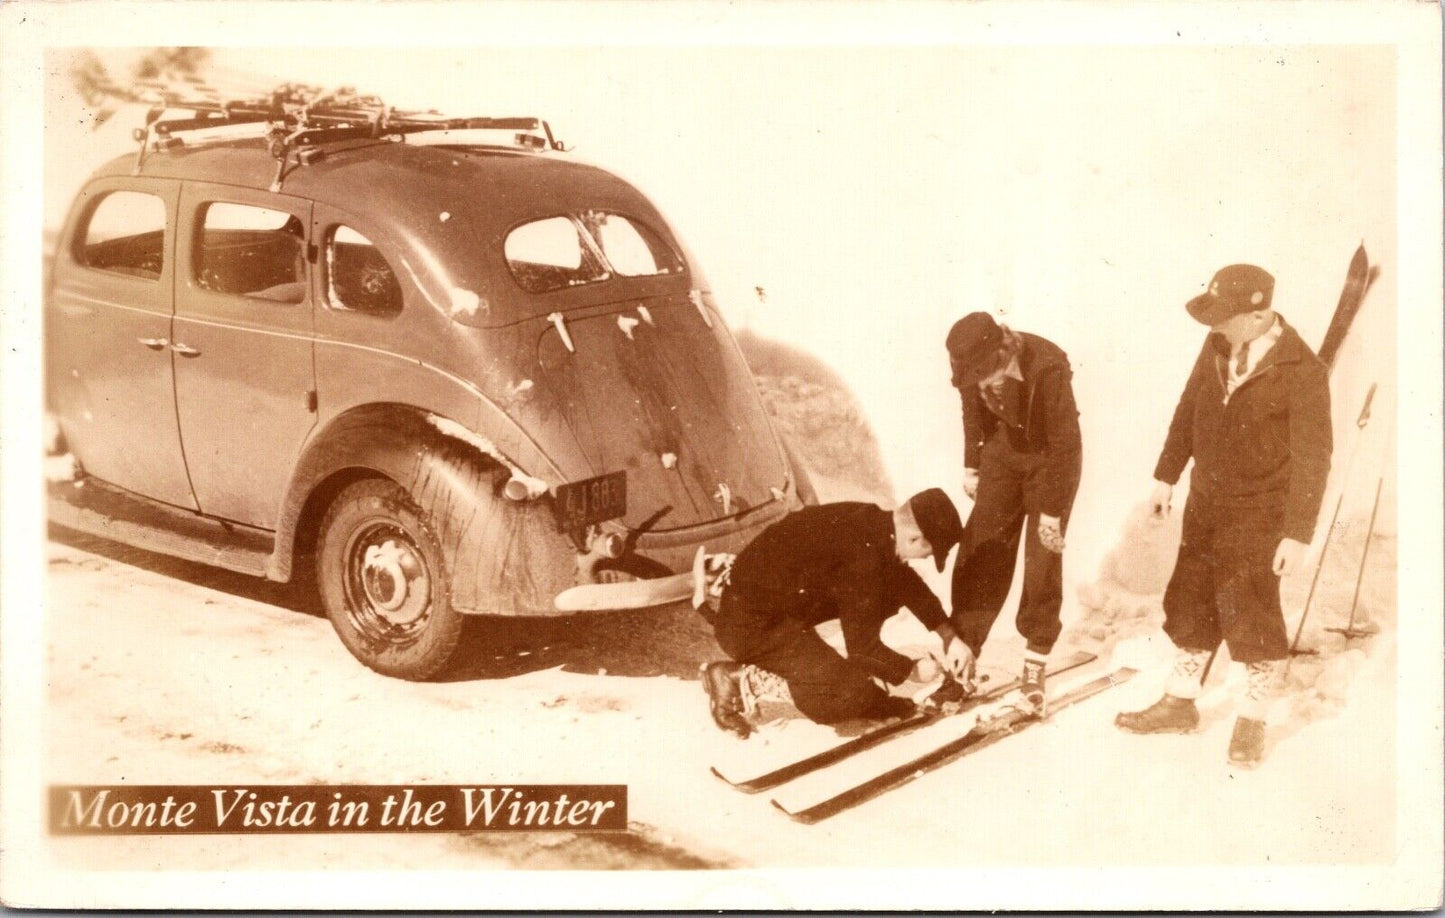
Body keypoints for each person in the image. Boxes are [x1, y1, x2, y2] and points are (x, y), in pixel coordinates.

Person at [1115, 263, 1332, 768]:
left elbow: (1313, 458)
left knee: (1249, 607)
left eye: (1224, 316)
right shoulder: (1215, 347)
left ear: (1258, 316)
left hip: (1261, 510)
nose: (1214, 325)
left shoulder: (1303, 371)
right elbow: (1188, 407)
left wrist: (1297, 533)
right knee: (1190, 596)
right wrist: (1167, 476)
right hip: (1207, 501)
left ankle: (1252, 719)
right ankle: (1179, 701)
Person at [700, 489, 970, 738]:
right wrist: (912, 671)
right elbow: (862, 650)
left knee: (888, 590)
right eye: (928, 551)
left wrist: (948, 635)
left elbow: (904, 581)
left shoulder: (875, 525)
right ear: (914, 537)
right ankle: (736, 678)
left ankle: (842, 682)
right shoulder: (864, 561)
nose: (924, 559)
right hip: (750, 628)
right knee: (846, 693)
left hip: (769, 607)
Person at [939, 312, 1083, 716]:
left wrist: (1052, 511)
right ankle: (962, 659)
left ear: (1002, 350)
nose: (979, 382)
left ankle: (1035, 661)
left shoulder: (1046, 365)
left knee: (1041, 560)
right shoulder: (968, 361)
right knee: (981, 548)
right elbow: (971, 413)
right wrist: (972, 463)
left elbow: (1066, 443)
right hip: (1002, 452)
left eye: (985, 372)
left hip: (1050, 459)